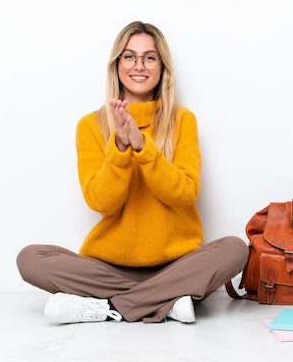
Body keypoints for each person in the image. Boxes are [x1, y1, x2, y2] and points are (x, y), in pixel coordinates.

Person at [16, 21, 248, 324]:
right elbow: (101, 202)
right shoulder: (91, 125)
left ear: (162, 67)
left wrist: (144, 149)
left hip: (176, 264)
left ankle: (109, 307)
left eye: (150, 57)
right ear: (116, 65)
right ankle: (167, 300)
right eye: (129, 56)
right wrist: (121, 149)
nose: (139, 65)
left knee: (235, 249)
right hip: (109, 268)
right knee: (30, 259)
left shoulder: (182, 120)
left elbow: (185, 193)